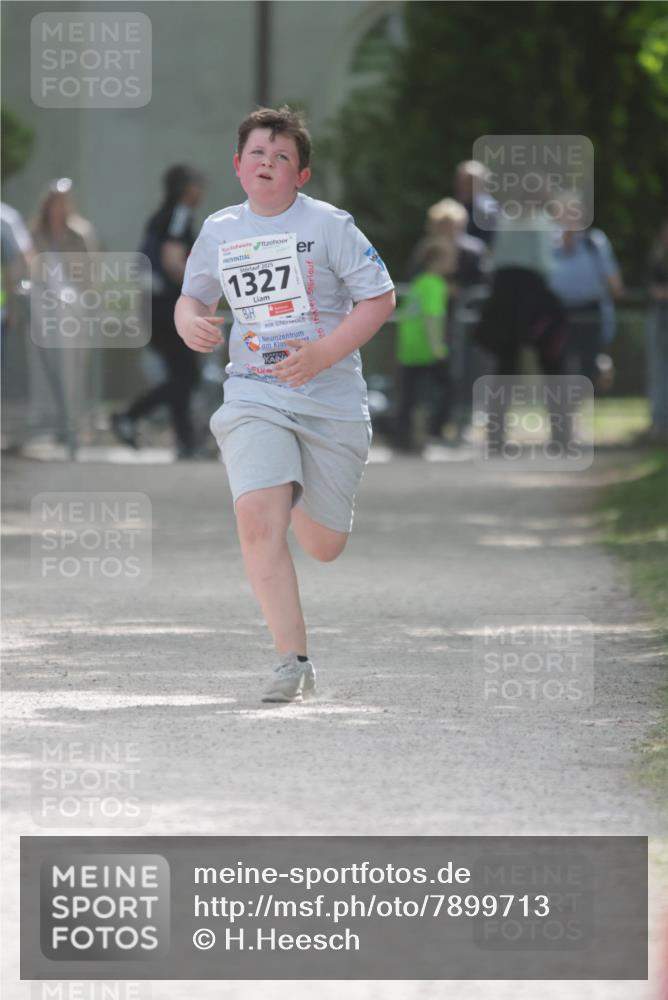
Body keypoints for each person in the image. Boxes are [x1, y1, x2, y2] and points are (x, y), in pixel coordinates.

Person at [175, 106, 395, 702]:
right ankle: (290, 660)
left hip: (330, 398)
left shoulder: (329, 225)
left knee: (324, 546)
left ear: (301, 175)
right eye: (257, 154)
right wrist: (191, 323)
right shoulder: (220, 229)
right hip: (254, 391)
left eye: (282, 157)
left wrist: (323, 353)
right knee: (256, 521)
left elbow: (379, 299)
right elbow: (191, 297)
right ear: (238, 166)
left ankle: (295, 484)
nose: (267, 163)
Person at [111, 164, 206, 458]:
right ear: (184, 188)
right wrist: (202, 289)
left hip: (152, 305)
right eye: (197, 184)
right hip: (166, 305)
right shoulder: (178, 215)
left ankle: (185, 442)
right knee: (187, 375)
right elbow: (172, 259)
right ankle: (129, 416)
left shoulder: (159, 216)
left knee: (180, 375)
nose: (201, 190)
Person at [474, 196, 571, 453]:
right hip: (533, 294)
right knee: (552, 364)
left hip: (504, 295)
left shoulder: (504, 219)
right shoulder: (542, 220)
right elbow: (544, 261)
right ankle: (561, 437)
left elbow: (496, 259)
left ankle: (496, 440)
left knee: (504, 369)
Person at [28, 178, 98, 448]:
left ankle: (72, 423)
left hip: (73, 309)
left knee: (72, 368)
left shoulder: (79, 232)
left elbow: (90, 273)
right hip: (42, 309)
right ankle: (51, 420)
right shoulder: (35, 232)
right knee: (43, 366)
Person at [549, 196, 624, 388]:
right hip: (557, 311)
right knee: (558, 361)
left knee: (587, 364)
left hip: (588, 311)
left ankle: (578, 408)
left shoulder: (594, 241)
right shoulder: (547, 242)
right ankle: (561, 410)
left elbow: (613, 280)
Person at [393, 239, 450, 452]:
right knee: (442, 391)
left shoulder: (419, 281)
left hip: (408, 347)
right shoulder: (435, 283)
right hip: (426, 348)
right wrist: (437, 346)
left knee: (408, 397)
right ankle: (435, 433)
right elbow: (431, 315)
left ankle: (404, 440)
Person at [644, 217, 668, 442]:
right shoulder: (657, 258)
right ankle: (660, 422)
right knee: (658, 370)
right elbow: (653, 290)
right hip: (660, 316)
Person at [454, 160, 498, 247]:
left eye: (470, 183)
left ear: (483, 184)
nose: (464, 187)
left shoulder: (487, 212)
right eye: (461, 181)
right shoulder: (459, 207)